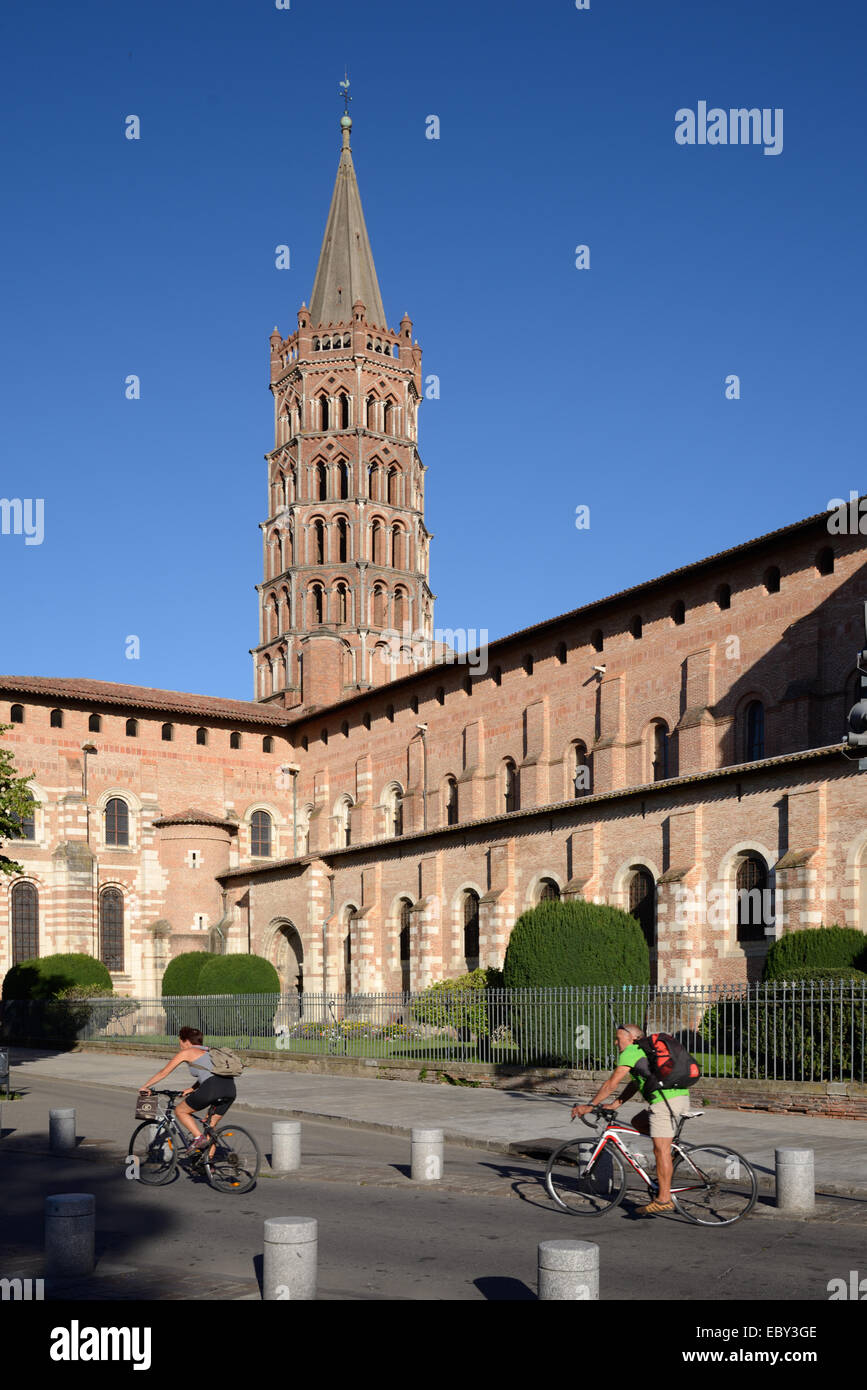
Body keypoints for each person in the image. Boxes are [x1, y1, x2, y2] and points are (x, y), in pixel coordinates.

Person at [571, 1022, 691, 1216]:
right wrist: (616, 1105)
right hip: (678, 1098)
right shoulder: (643, 1052)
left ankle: (664, 1199)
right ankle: (671, 1157)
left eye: (618, 1039)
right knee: (638, 1122)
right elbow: (636, 1083)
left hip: (665, 1102)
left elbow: (611, 1084)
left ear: (632, 1038)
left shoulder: (631, 1051)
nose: (615, 1042)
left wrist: (589, 1106)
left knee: (660, 1150)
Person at [139, 1026, 236, 1151]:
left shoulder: (186, 1052)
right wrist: (192, 1088)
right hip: (230, 1089)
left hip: (212, 1088)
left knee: (180, 1111)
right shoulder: (210, 1052)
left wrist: (145, 1086)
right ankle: (208, 1166)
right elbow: (210, 1074)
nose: (180, 1045)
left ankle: (198, 1138)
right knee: (210, 1128)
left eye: (180, 1041)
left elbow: (164, 1072)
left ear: (187, 1041)